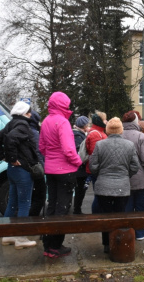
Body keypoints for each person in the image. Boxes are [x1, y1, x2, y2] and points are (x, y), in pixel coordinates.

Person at [39, 92, 82, 258]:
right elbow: (68, 149)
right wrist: (78, 162)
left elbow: (42, 147)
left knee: (52, 206)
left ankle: (48, 244)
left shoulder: (46, 122)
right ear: (63, 105)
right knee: (62, 209)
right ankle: (56, 246)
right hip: (65, 171)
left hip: (50, 170)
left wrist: (50, 158)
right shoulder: (63, 122)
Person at [89, 117, 140, 253]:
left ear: (108, 130)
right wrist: (125, 174)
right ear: (121, 130)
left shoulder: (100, 145)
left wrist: (102, 173)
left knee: (106, 217)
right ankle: (117, 242)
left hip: (103, 186)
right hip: (122, 186)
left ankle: (106, 243)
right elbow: (135, 166)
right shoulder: (129, 145)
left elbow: (92, 166)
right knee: (119, 216)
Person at [0, 101, 39, 250]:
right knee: (24, 203)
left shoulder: (11, 124)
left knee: (12, 202)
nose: (31, 115)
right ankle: (20, 238)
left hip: (12, 170)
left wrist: (3, 157)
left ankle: (7, 235)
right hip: (23, 170)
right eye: (29, 112)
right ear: (25, 113)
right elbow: (11, 139)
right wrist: (12, 157)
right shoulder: (23, 125)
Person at [122, 110, 144, 241]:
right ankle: (140, 233)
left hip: (122, 179)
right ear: (136, 122)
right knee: (141, 208)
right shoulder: (141, 137)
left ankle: (127, 232)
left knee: (127, 208)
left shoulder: (117, 135)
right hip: (140, 180)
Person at [85, 111, 108, 214]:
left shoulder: (98, 132)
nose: (106, 121)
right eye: (104, 119)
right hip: (98, 170)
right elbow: (96, 154)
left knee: (100, 195)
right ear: (99, 121)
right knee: (99, 196)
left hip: (98, 169)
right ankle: (96, 217)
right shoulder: (96, 134)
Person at [28, 109, 46, 216]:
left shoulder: (24, 129)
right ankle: (33, 220)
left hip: (27, 167)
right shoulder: (34, 133)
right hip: (35, 168)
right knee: (40, 197)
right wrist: (43, 168)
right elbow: (38, 152)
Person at [72, 115, 90, 214]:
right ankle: (77, 210)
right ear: (84, 126)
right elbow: (81, 153)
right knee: (80, 191)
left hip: (74, 168)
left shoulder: (74, 134)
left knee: (76, 190)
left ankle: (75, 208)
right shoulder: (80, 136)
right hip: (80, 169)